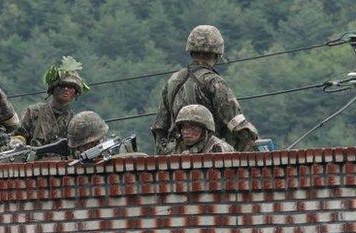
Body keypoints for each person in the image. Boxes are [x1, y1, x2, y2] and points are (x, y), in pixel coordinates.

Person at [151, 25, 259, 154]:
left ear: (191, 50)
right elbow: (238, 126)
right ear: (217, 53)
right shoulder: (215, 82)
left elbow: (160, 128)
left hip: (177, 159)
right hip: (212, 157)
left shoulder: (173, 82)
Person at [12, 56, 89, 147]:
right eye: (62, 85)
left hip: (63, 161)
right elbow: (19, 135)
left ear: (75, 93)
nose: (66, 89)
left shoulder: (75, 122)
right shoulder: (34, 112)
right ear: (53, 89)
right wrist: (18, 144)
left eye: (71, 87)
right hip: (34, 159)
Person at [67, 111, 144, 158]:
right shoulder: (76, 156)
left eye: (84, 145)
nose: (79, 150)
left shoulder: (118, 153)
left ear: (94, 142)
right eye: (78, 147)